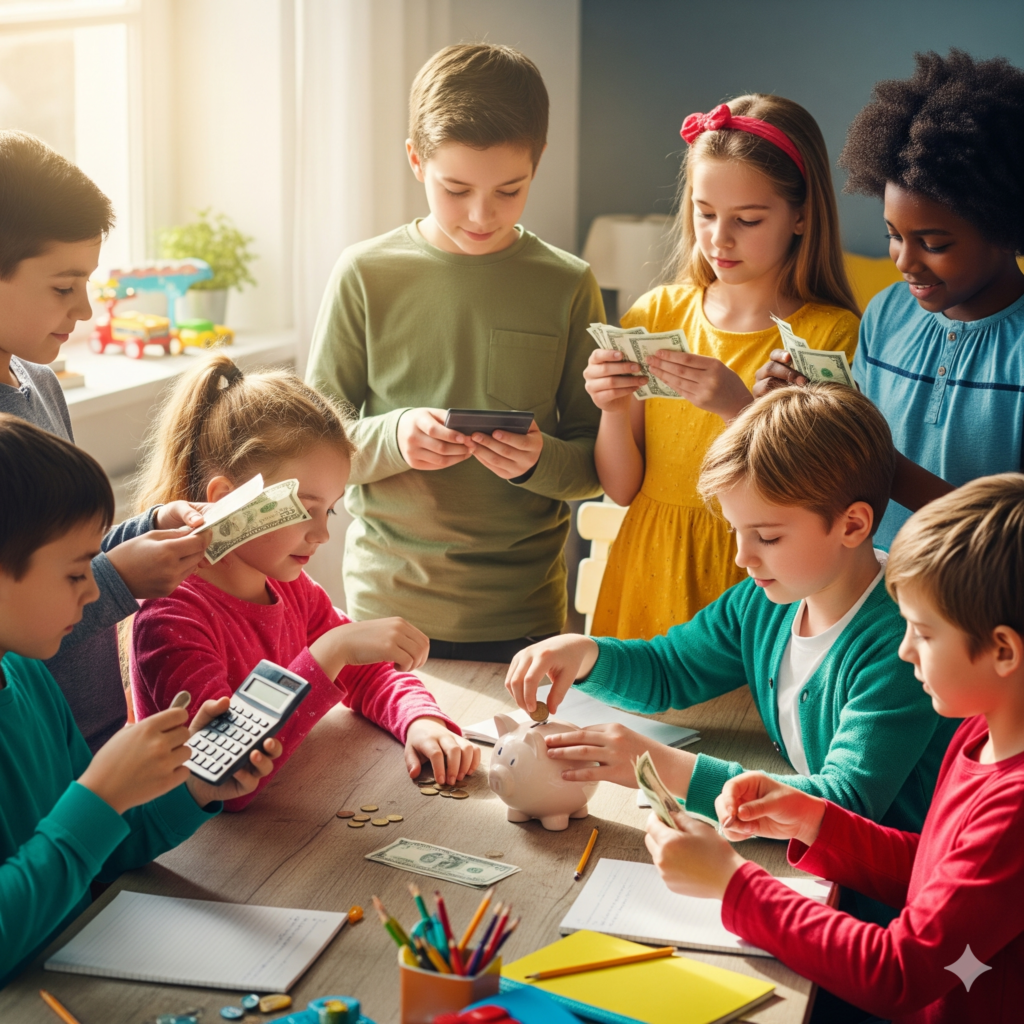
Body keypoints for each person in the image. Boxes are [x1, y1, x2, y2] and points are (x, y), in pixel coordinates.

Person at [505, 385, 958, 923]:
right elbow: (671, 669)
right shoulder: (765, 600)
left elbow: (844, 803)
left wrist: (659, 767)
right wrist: (585, 653)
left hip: (886, 903)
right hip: (806, 868)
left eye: (767, 536)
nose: (743, 557)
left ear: (853, 525)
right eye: (737, 531)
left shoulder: (901, 642)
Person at [644, 474, 1024, 1024]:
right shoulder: (979, 733)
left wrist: (733, 886)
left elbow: (900, 972)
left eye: (923, 632)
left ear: (1004, 651)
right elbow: (938, 872)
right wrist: (816, 821)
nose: (904, 650)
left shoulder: (1014, 806)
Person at [305, 43, 604, 663]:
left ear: (538, 162)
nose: (481, 214)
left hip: (524, 617)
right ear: (416, 160)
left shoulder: (568, 284)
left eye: (509, 190)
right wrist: (396, 437)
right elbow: (313, 449)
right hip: (385, 607)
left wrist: (536, 459)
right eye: (456, 188)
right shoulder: (364, 274)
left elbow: (593, 463)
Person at [0, 415, 281, 987]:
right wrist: (100, 794)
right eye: (76, 573)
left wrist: (194, 785)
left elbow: (101, 848)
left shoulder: (27, 674)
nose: (94, 590)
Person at [130, 355, 480, 809]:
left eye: (329, 509)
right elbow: (227, 780)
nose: (322, 534)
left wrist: (420, 720)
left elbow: (368, 671)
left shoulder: (288, 586)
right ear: (225, 501)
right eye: (304, 509)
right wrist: (330, 651)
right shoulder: (171, 618)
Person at [586, 94, 861, 641]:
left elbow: (823, 501)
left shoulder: (832, 336)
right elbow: (620, 489)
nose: (719, 238)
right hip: (647, 567)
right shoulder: (655, 314)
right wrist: (612, 409)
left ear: (802, 215)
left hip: (751, 581)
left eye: (748, 219)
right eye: (705, 212)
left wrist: (740, 410)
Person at [754, 51, 1024, 546]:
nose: (904, 261)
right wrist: (797, 415)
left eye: (934, 244)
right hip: (872, 580)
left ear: (1006, 230)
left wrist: (877, 462)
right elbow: (845, 476)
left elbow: (1011, 533)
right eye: (893, 236)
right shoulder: (886, 313)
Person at [0, 130, 211, 751]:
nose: (86, 310)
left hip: (97, 729)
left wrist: (146, 530)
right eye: (63, 288)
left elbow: (54, 544)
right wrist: (117, 578)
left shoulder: (40, 381)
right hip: (28, 749)